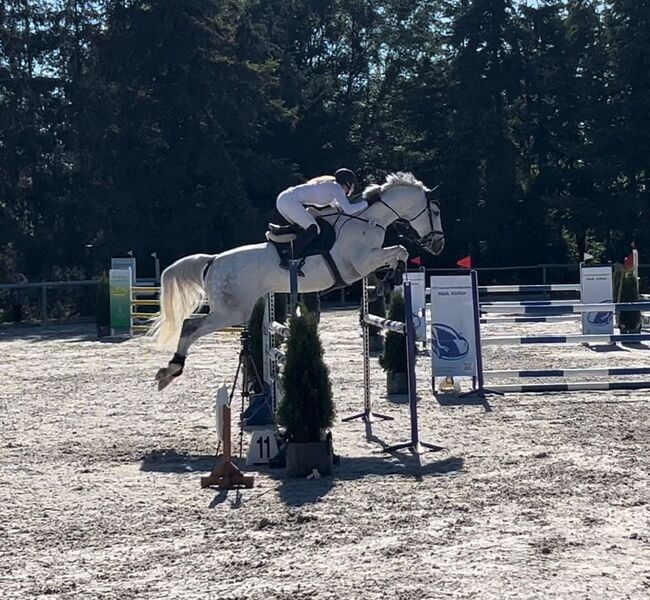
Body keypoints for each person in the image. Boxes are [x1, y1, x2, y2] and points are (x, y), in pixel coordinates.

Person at [275, 168, 367, 268]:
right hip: (289, 201)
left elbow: (338, 208)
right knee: (314, 228)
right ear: (347, 183)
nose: (351, 191)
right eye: (352, 186)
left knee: (305, 229)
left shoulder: (331, 187)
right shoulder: (336, 187)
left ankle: (281, 233)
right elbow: (348, 210)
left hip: (284, 200)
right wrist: (366, 203)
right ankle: (290, 256)